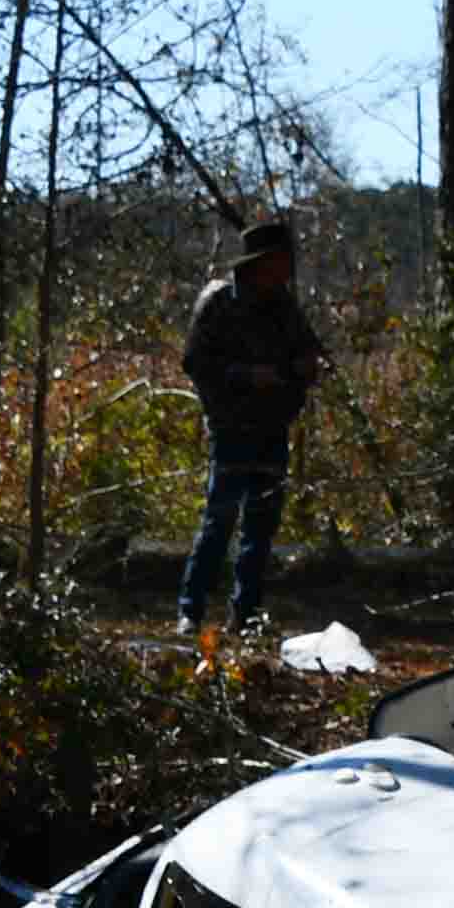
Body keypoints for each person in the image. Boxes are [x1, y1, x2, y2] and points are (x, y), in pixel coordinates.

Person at [178, 217, 328, 642]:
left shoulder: (283, 306)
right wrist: (245, 376)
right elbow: (195, 363)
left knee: (261, 527)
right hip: (230, 427)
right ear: (261, 262)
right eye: (281, 260)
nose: (287, 268)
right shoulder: (219, 301)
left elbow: (305, 353)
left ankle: (246, 615)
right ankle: (191, 610)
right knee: (219, 520)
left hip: (272, 427)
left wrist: (302, 369)